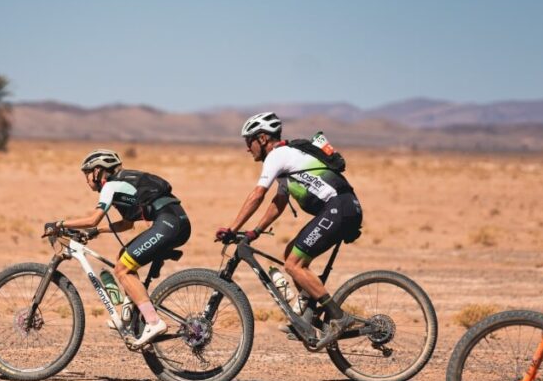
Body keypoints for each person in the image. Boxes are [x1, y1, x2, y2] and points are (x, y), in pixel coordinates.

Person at [216, 112, 362, 349]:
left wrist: (233, 228)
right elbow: (278, 203)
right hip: (341, 208)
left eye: (249, 141)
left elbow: (257, 195)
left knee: (294, 264)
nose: (247, 148)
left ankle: (339, 317)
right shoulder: (288, 158)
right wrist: (255, 232)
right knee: (289, 253)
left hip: (338, 208)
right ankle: (307, 316)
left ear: (262, 138)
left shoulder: (277, 155)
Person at [45, 149, 191, 347]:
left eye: (87, 173)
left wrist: (60, 224)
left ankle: (154, 322)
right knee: (124, 256)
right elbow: (127, 224)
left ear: (97, 171)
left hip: (169, 223)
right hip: (176, 222)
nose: (86, 179)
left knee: (122, 269)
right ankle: (127, 313)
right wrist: (96, 232)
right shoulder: (124, 186)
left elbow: (93, 218)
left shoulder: (111, 186)